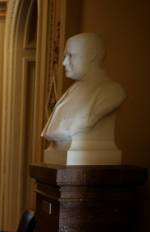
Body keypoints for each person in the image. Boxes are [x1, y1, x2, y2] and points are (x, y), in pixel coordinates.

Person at [42, 32, 126, 165]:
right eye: (64, 56)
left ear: (92, 56)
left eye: (71, 55)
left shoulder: (111, 92)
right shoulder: (71, 91)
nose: (64, 63)